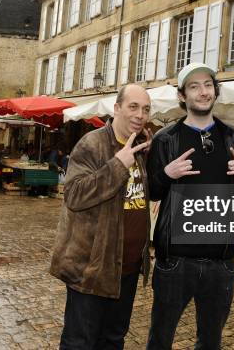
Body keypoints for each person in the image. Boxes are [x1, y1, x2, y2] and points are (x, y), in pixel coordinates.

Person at [146, 62, 234, 349]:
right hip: (176, 261)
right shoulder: (165, 139)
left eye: (208, 85)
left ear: (215, 91)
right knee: (160, 338)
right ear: (182, 96)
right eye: (194, 86)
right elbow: (153, 193)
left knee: (210, 341)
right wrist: (166, 174)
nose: (203, 92)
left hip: (221, 262)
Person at [50, 84, 153, 349]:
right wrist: (118, 164)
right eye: (133, 107)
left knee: (113, 340)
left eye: (145, 109)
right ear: (116, 109)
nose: (140, 114)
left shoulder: (141, 146)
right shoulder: (92, 143)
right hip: (91, 271)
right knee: (80, 342)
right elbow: (73, 194)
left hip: (126, 269)